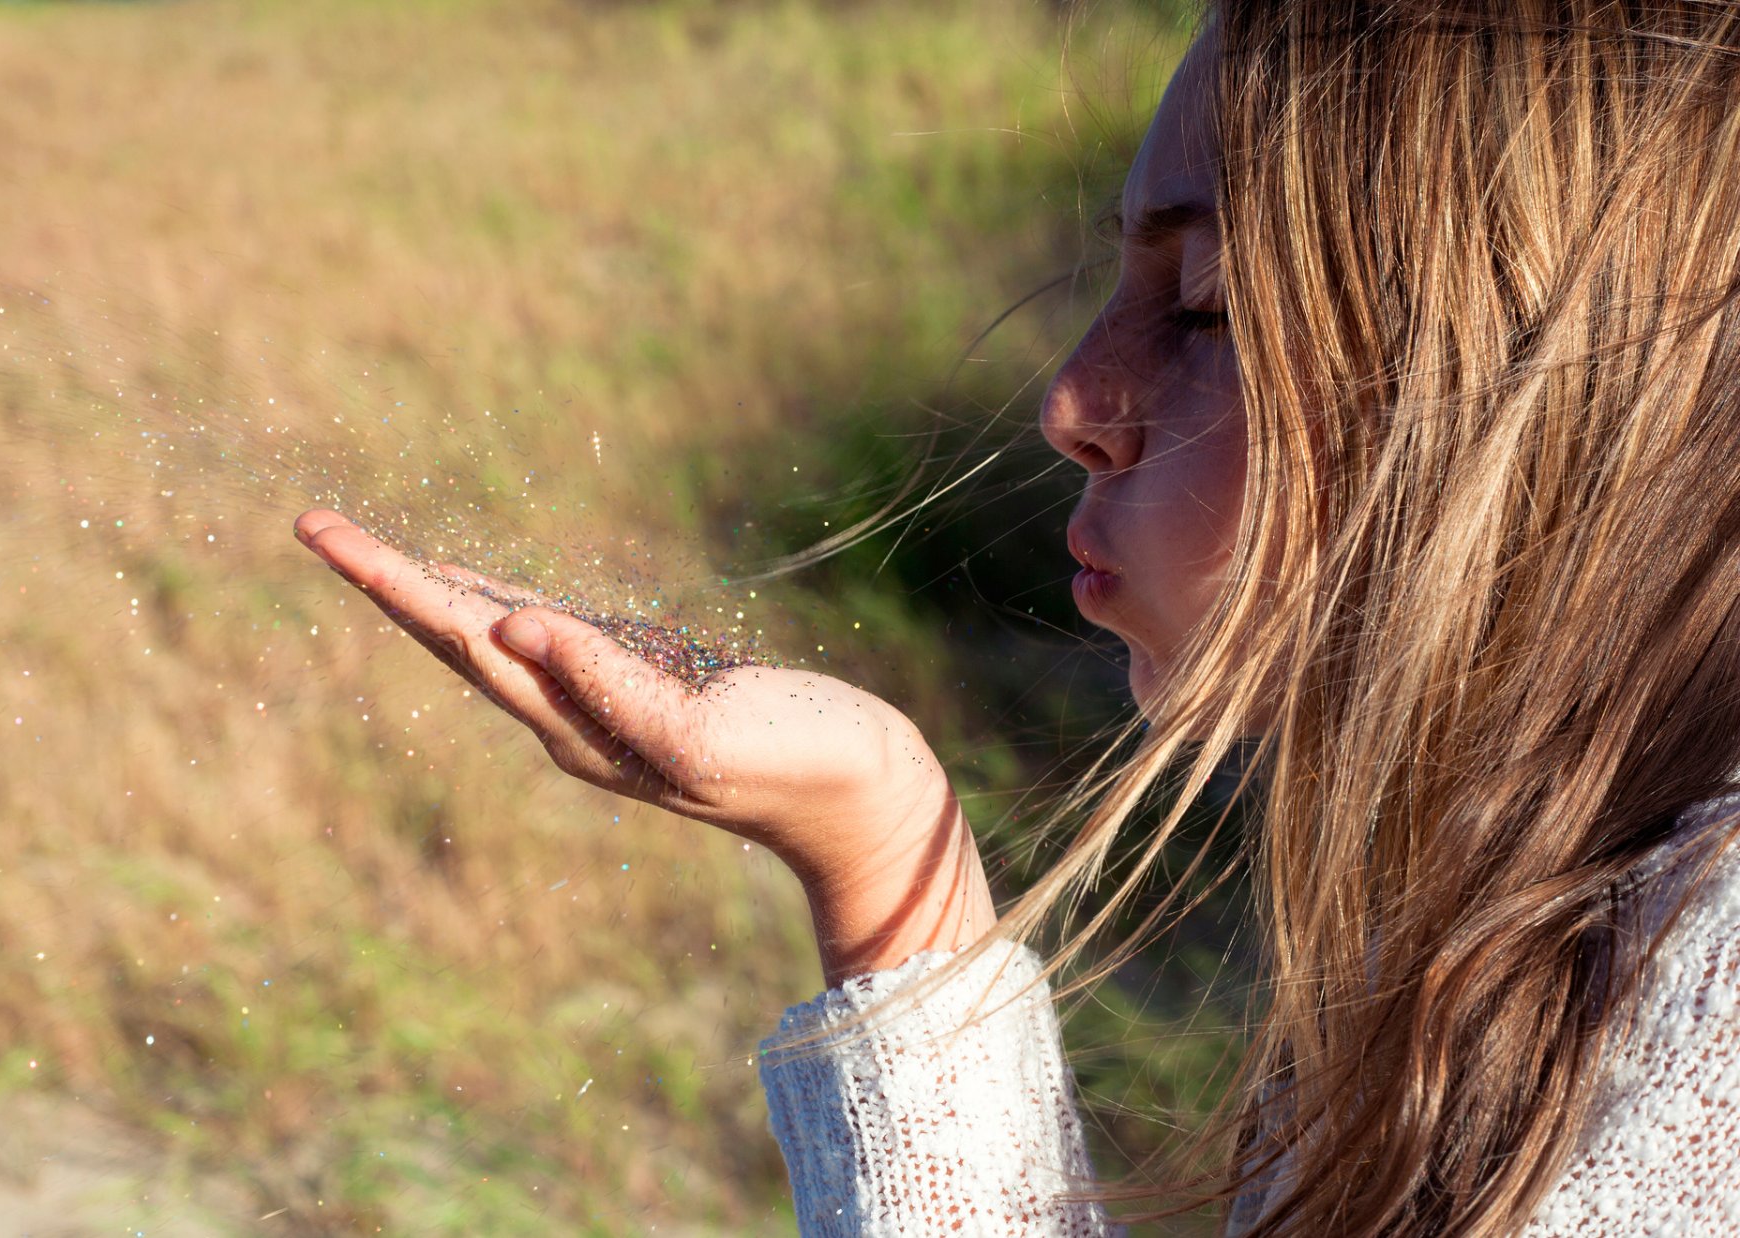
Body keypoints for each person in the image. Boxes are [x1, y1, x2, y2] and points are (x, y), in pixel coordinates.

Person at [293, 0, 1740, 1231]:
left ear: (1548, 389)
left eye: (1210, 307)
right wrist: (879, 853)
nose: (1073, 401)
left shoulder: (1714, 994)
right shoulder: (1493, 921)